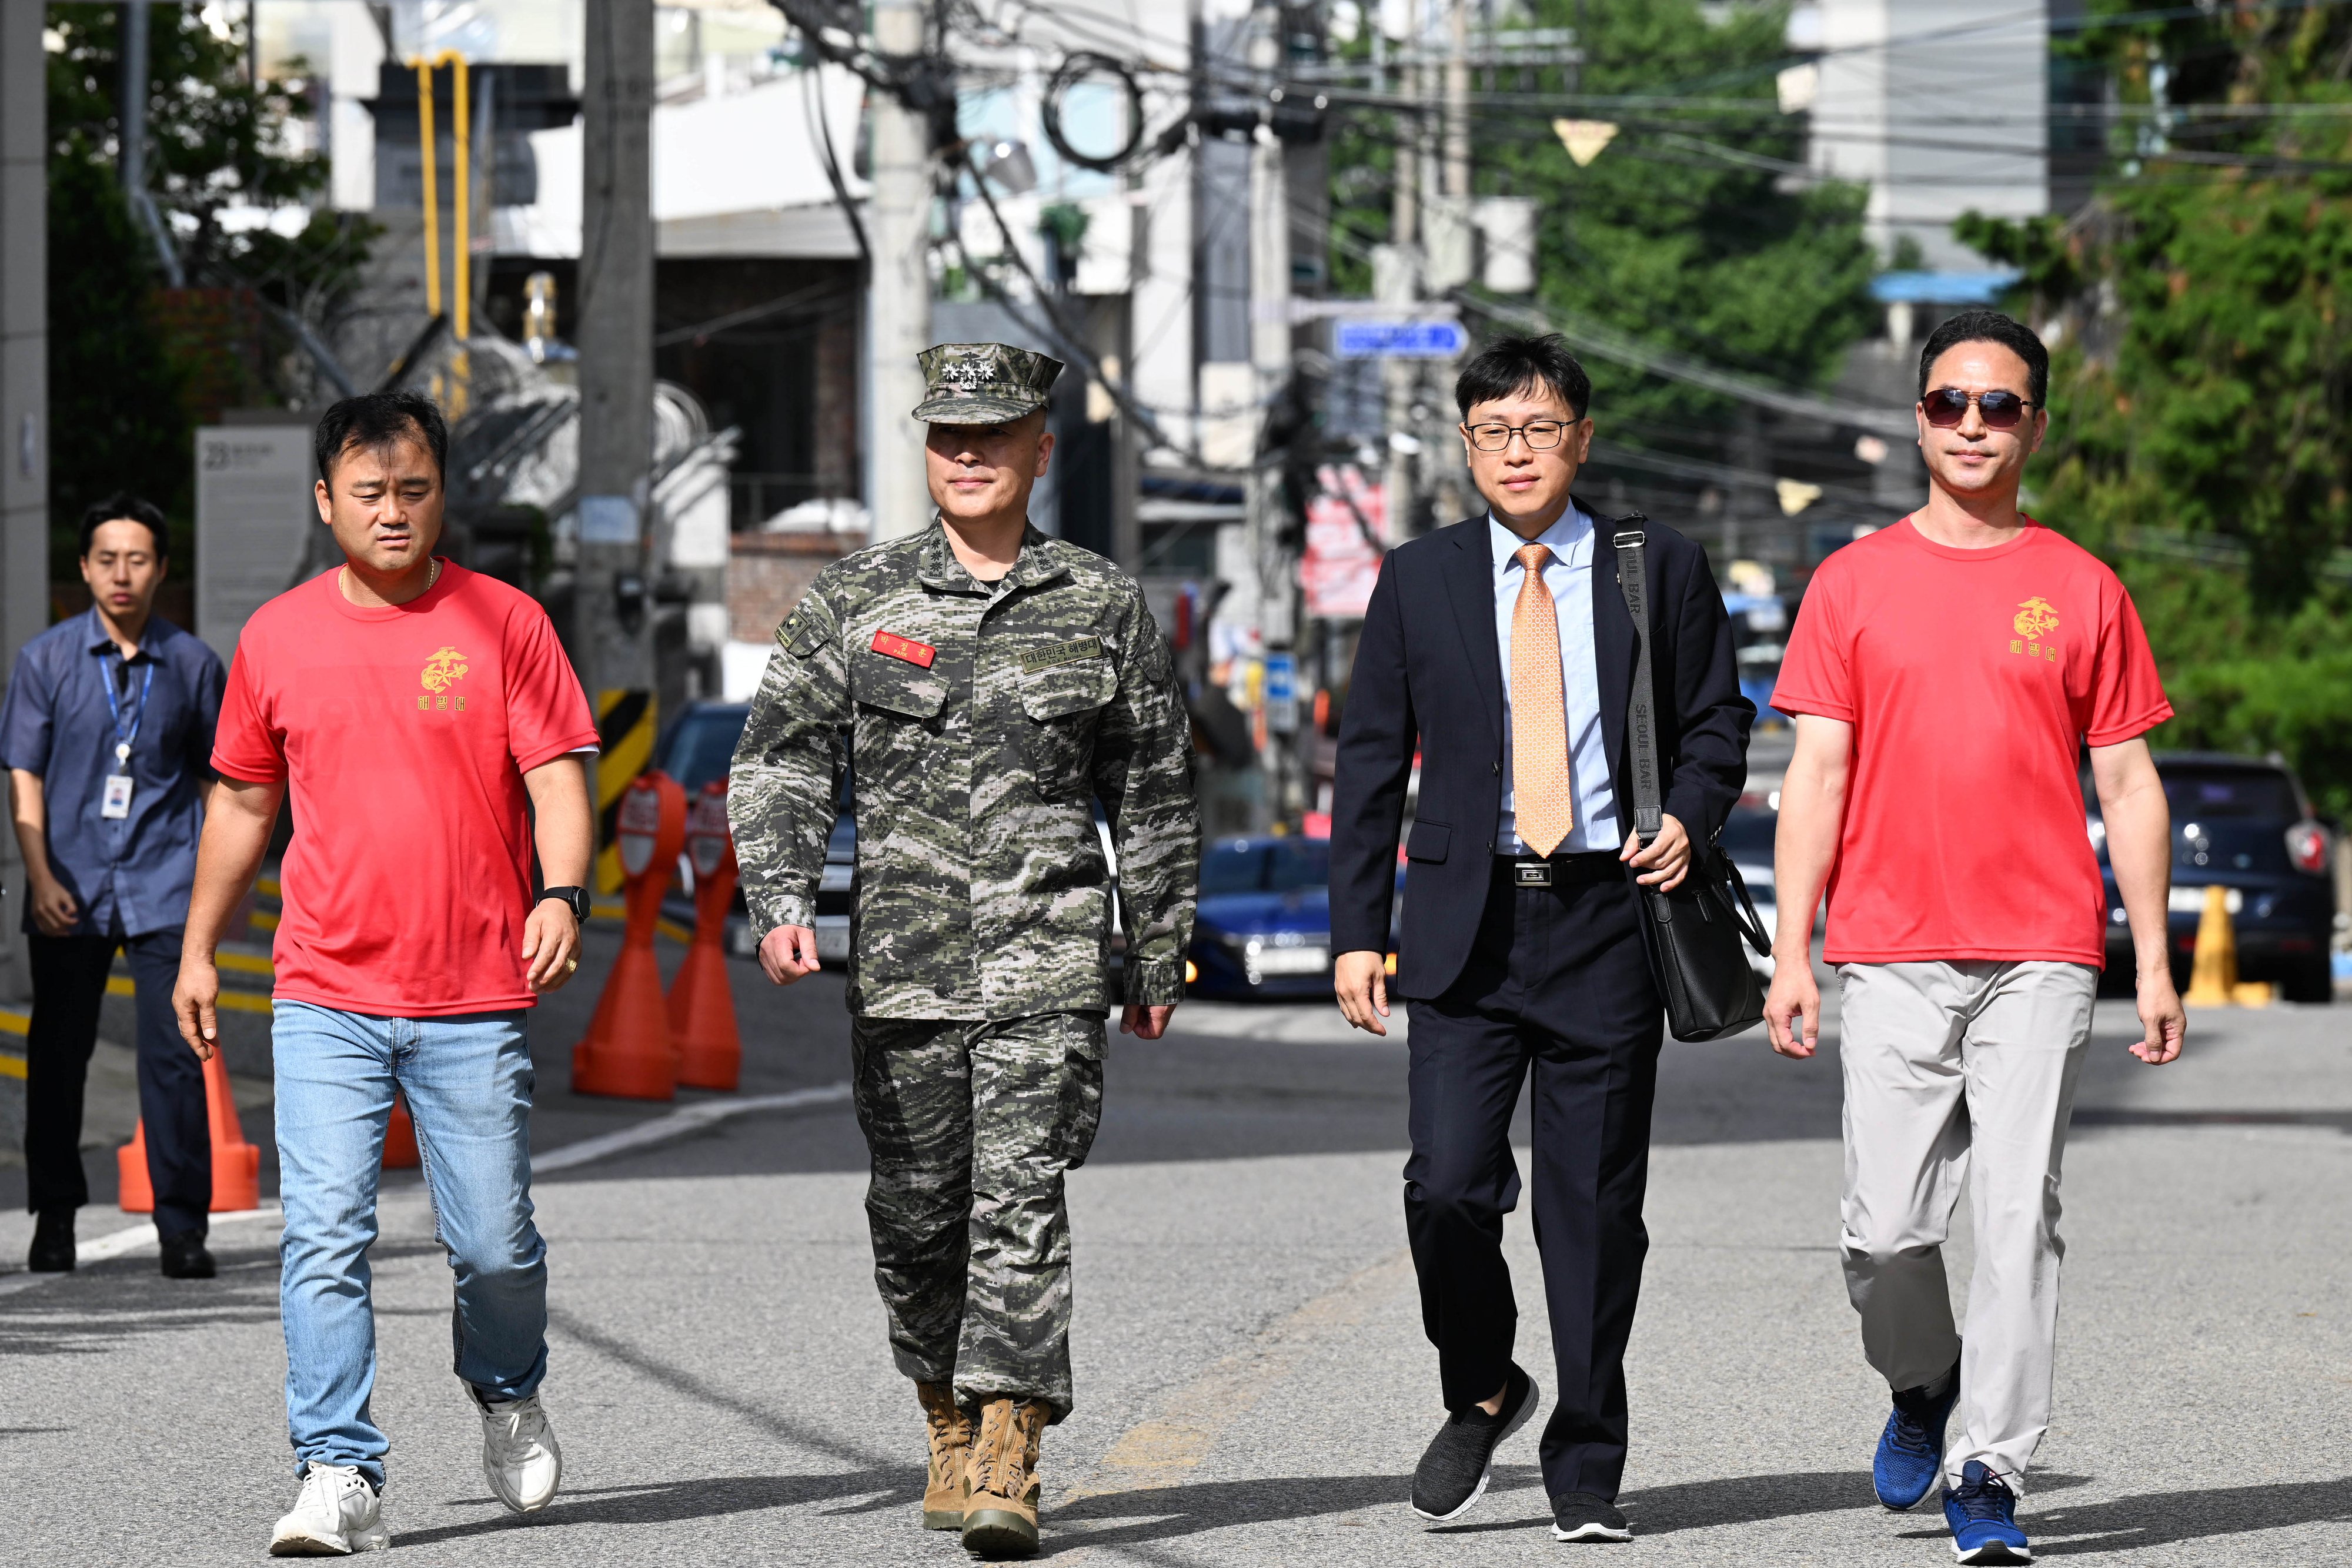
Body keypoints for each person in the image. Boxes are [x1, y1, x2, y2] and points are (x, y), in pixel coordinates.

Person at [729, 342, 1200, 1559]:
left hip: (1046, 964)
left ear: (1041, 446)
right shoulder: (853, 601)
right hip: (903, 966)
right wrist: (780, 892)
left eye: (995, 435)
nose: (971, 455)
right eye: (950, 436)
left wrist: (1153, 953)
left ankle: (1008, 1438)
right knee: (917, 1213)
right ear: (925, 449)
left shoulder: (1099, 603)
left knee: (1018, 1200)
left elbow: (1150, 794)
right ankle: (941, 1404)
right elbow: (781, 754)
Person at [1765, 310, 2183, 1566]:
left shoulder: (2079, 586)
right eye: (1948, 402)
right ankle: (1919, 1379)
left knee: (2014, 1213)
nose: (1970, 425)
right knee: (1884, 1230)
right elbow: (1816, 776)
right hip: (1887, 945)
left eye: (1997, 406)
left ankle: (1989, 1462)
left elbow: (2128, 785)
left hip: (2041, 946)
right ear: (1915, 419)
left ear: (2033, 427)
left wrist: (2151, 958)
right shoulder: (1850, 582)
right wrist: (1792, 945)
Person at [1329, 334, 1750, 1543]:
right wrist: (1357, 930)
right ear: (1466, 446)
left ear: (1579, 436)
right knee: (1449, 1185)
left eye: (1539, 427)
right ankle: (1484, 1378)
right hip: (1464, 925)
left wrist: (1685, 813)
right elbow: (1368, 761)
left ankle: (1586, 1462)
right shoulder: (1417, 576)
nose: (1517, 451)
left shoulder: (1650, 566)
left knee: (1592, 1210)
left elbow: (1717, 716)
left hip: (1606, 918)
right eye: (1492, 431)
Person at [169, 390, 598, 1556]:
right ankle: (337, 1468)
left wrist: (561, 889)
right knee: (321, 1233)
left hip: (473, 992)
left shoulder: (503, 621)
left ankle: (506, 1386)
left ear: (440, 492)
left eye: (414, 489)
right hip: (323, 993)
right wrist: (200, 945)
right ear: (327, 501)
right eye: (369, 493)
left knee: (496, 1246)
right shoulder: (277, 637)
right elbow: (246, 800)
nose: (394, 512)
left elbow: (558, 774)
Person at [4, 493, 225, 1276]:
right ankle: (55, 1219)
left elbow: (216, 782)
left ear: (162, 568)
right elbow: (23, 772)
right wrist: (37, 876)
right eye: (107, 559)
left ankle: (182, 1228)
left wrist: (211, 887)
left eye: (138, 559)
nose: (121, 574)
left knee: (174, 1055)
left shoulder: (194, 665)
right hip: (69, 885)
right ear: (84, 568)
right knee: (59, 1055)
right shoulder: (47, 661)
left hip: (166, 883)